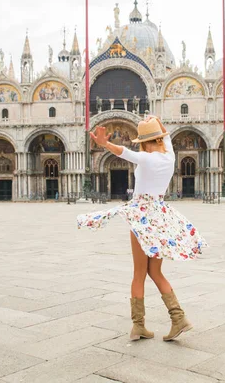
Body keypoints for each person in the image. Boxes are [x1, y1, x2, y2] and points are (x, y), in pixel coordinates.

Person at [77, 116, 207, 342]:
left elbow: (124, 153)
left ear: (146, 143)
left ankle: (139, 326)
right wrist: (156, 121)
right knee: (155, 272)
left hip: (142, 217)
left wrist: (105, 144)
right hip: (161, 215)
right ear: (159, 138)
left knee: (139, 273)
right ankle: (179, 319)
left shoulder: (146, 159)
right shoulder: (170, 156)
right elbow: (165, 137)